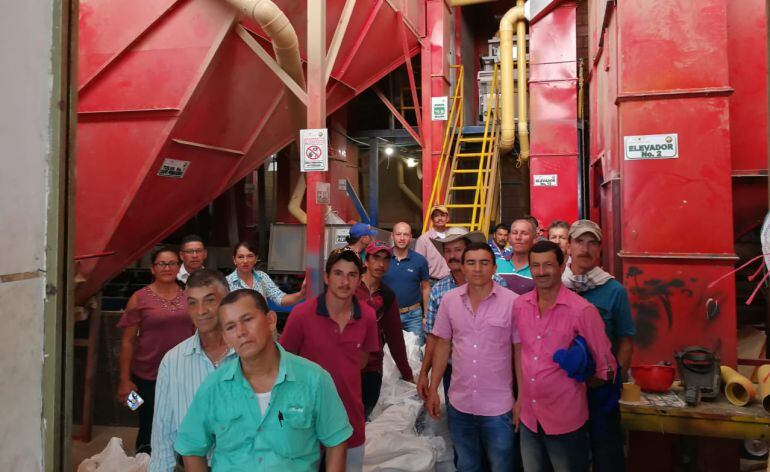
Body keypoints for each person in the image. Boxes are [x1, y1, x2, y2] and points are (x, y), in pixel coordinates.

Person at [175, 290, 352, 471]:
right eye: (230, 327)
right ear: (226, 339)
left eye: (248, 319)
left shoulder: (314, 380)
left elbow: (336, 441)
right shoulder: (213, 388)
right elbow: (191, 447)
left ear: (270, 320)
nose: (241, 332)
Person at [513, 240, 614, 472]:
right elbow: (521, 353)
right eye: (535, 266)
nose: (541, 272)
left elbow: (606, 369)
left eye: (547, 265)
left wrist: (572, 387)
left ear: (562, 267)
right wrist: (520, 400)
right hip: (529, 417)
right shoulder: (520, 306)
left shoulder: (582, 311)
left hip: (566, 421)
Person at [280, 248, 379, 471]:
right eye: (338, 273)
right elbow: (284, 363)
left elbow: (362, 361)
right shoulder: (302, 315)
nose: (345, 282)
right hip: (306, 421)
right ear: (326, 277)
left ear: (359, 279)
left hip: (349, 419)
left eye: (352, 275)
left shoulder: (368, 317)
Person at [425, 242, 520, 472]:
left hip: (499, 408)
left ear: (495, 268)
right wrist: (433, 387)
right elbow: (443, 345)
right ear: (463, 268)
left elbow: (520, 352)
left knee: (502, 466)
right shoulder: (449, 300)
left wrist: (522, 399)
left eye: (484, 263)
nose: (478, 268)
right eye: (471, 263)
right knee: (467, 465)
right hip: (460, 404)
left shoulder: (513, 302)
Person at [563, 219, 635, 472]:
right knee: (569, 455)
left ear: (600, 249)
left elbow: (626, 337)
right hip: (564, 388)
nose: (585, 248)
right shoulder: (556, 287)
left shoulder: (614, 290)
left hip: (600, 389)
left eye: (592, 242)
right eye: (579, 241)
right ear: (568, 246)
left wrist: (615, 380)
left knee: (606, 454)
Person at [149, 269, 236, 472]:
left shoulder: (248, 355)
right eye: (192, 302)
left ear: (227, 300)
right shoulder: (173, 361)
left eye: (209, 300)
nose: (201, 311)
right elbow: (163, 433)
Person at [117, 246, 194, 455]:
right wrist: (125, 380)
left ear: (179, 267)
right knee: (148, 422)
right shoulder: (139, 298)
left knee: (184, 423)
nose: (167, 268)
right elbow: (127, 342)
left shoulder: (190, 296)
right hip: (147, 376)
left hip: (185, 374)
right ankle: (146, 462)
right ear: (152, 269)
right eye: (162, 264)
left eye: (172, 263)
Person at [416, 227, 508, 401]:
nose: (452, 256)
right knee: (459, 419)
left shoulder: (497, 285)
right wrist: (424, 374)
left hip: (493, 371)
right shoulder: (439, 291)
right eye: (448, 251)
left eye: (458, 250)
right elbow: (433, 338)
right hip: (453, 370)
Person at [356, 241, 414, 418]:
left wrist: (407, 373)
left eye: (385, 259)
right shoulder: (350, 289)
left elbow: (395, 336)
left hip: (372, 368)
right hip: (346, 365)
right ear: (366, 260)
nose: (380, 264)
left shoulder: (387, 296)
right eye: (376, 258)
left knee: (363, 419)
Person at [382, 222, 431, 344]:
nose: (402, 238)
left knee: (415, 354)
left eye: (405, 234)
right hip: (387, 315)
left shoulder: (420, 260)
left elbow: (425, 288)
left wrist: (426, 315)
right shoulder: (383, 258)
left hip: (413, 316)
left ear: (410, 237)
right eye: (398, 234)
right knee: (388, 357)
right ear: (392, 236)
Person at [226, 240, 306, 307]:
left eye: (250, 256)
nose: (245, 261)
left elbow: (280, 299)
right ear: (234, 260)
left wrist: (301, 294)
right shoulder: (226, 283)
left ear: (256, 259)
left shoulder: (262, 277)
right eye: (240, 257)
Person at [415, 204, 451, 281]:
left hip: (452, 280)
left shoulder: (453, 237)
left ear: (447, 218)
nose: (439, 218)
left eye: (442, 215)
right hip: (432, 282)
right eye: (436, 216)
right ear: (432, 219)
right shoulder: (423, 239)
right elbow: (418, 264)